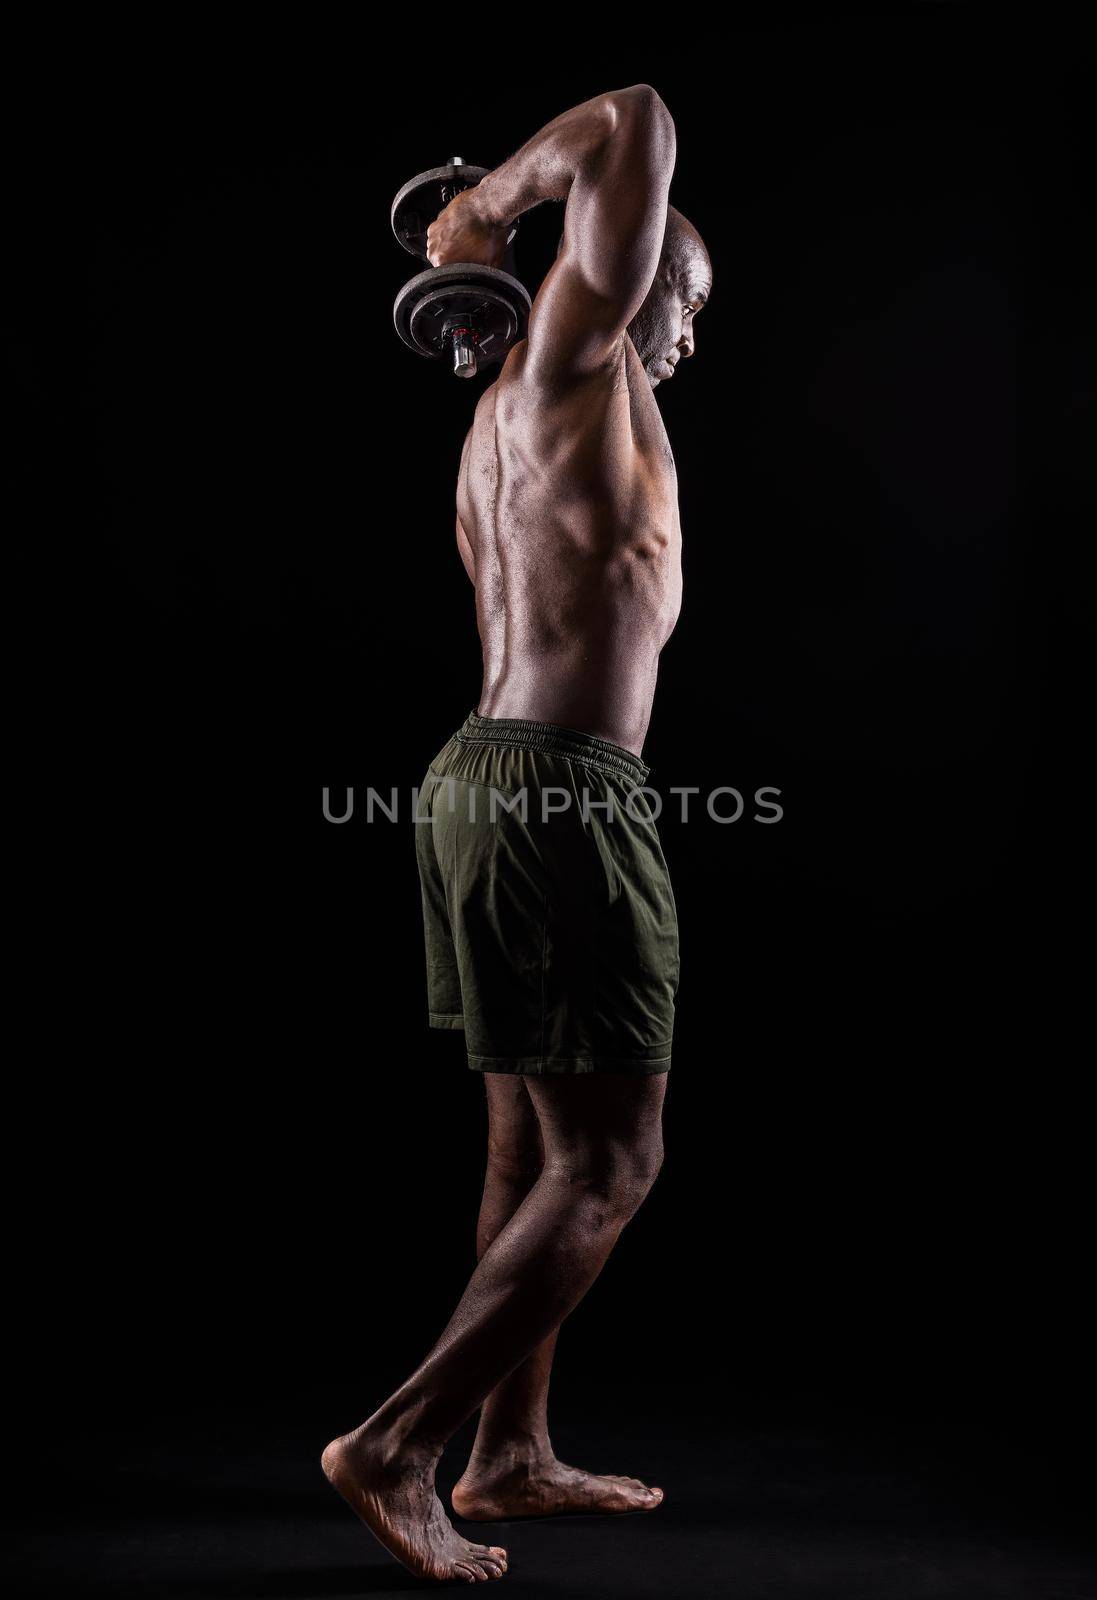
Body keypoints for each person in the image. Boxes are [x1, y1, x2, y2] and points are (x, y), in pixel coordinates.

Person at [323, 84, 711, 1584]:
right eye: (684, 292)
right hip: (557, 787)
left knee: (525, 1140)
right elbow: (630, 119)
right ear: (614, 275)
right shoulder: (568, 358)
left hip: (481, 775)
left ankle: (507, 1452)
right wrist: (489, 209)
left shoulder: (513, 415)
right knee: (613, 1161)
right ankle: (398, 1442)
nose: (690, 325)